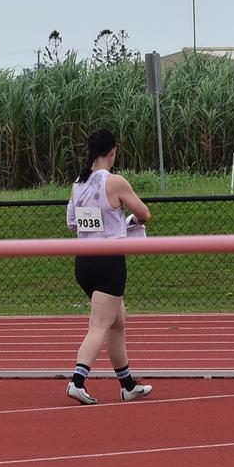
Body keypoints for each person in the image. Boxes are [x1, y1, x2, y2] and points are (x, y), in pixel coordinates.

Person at [63, 129, 153, 406]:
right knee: (100, 325)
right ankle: (77, 381)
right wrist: (128, 223)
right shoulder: (114, 181)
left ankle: (127, 384)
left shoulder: (78, 183)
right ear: (112, 152)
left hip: (84, 261)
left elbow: (72, 223)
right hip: (109, 262)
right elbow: (144, 213)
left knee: (117, 323)